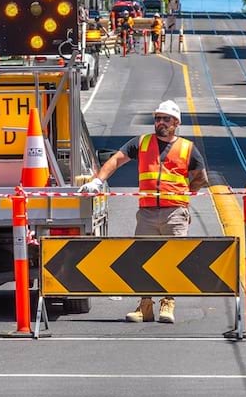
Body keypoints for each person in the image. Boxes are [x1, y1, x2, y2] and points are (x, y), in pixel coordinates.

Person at [77, 100, 209, 324]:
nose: (160, 123)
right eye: (158, 118)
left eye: (166, 119)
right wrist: (97, 181)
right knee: (143, 258)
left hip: (174, 212)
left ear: (176, 123)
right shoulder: (141, 142)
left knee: (172, 259)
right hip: (147, 212)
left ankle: (168, 303)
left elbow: (201, 177)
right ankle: (145, 306)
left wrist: (184, 198)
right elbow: (117, 159)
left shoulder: (188, 148)